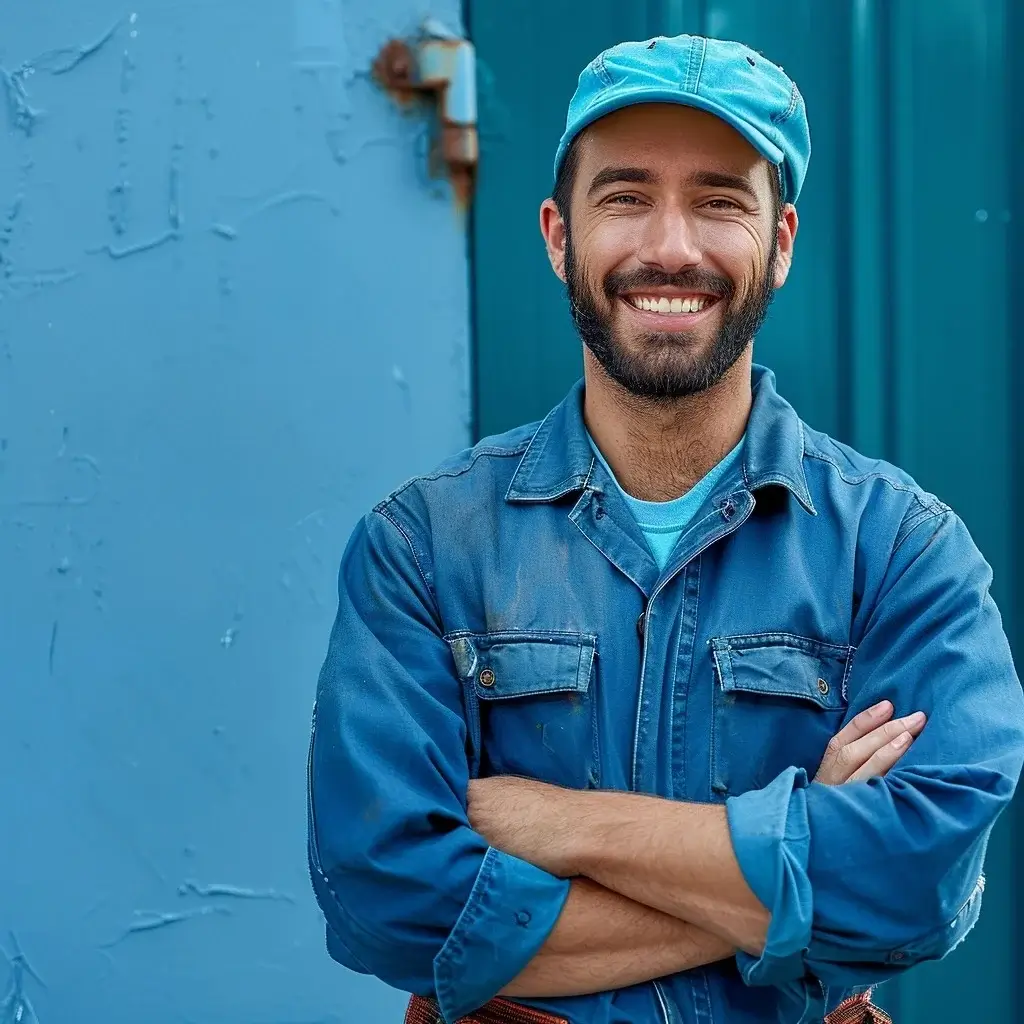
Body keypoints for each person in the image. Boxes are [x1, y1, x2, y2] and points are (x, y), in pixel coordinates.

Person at [306, 33, 1024, 1024]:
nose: (672, 247)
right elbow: (385, 901)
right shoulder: (424, 546)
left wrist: (567, 825)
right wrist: (801, 857)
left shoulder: (900, 548)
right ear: (559, 236)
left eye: (720, 201)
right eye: (625, 196)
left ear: (780, 243)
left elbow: (917, 885)